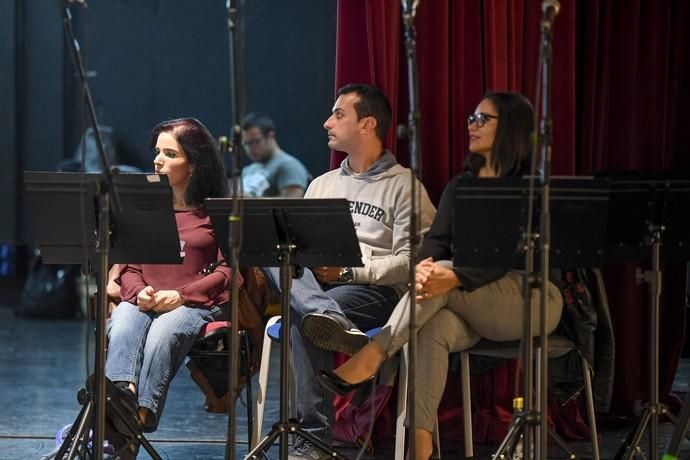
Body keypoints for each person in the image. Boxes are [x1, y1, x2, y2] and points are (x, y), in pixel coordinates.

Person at [318, 92, 564, 460]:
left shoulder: (532, 189)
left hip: (530, 296)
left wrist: (453, 275)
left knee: (444, 274)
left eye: (483, 119)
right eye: (471, 117)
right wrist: (426, 268)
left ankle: (376, 351)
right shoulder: (460, 186)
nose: (471, 125)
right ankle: (419, 447)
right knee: (430, 329)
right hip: (465, 299)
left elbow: (507, 258)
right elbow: (434, 244)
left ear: (510, 128)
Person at [263, 84, 435, 459]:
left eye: (339, 114)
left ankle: (314, 440)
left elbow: (414, 263)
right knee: (274, 252)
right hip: (317, 287)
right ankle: (325, 317)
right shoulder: (322, 184)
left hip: (374, 293)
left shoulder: (405, 186)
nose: (327, 122)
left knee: (301, 318)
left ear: (367, 124)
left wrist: (347, 273)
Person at [103, 118, 237, 457]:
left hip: (196, 303)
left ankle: (132, 420)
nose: (157, 160)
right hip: (146, 298)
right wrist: (139, 292)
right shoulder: (146, 208)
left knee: (164, 332)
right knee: (121, 324)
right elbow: (130, 267)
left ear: (192, 164)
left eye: (169, 153)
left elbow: (229, 273)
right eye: (157, 152)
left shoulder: (217, 212)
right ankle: (123, 399)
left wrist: (182, 295)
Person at [241, 112, 310, 197]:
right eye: (246, 144)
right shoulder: (247, 170)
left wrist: (250, 201)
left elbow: (291, 203)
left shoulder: (289, 165)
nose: (250, 149)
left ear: (270, 136)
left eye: (255, 142)